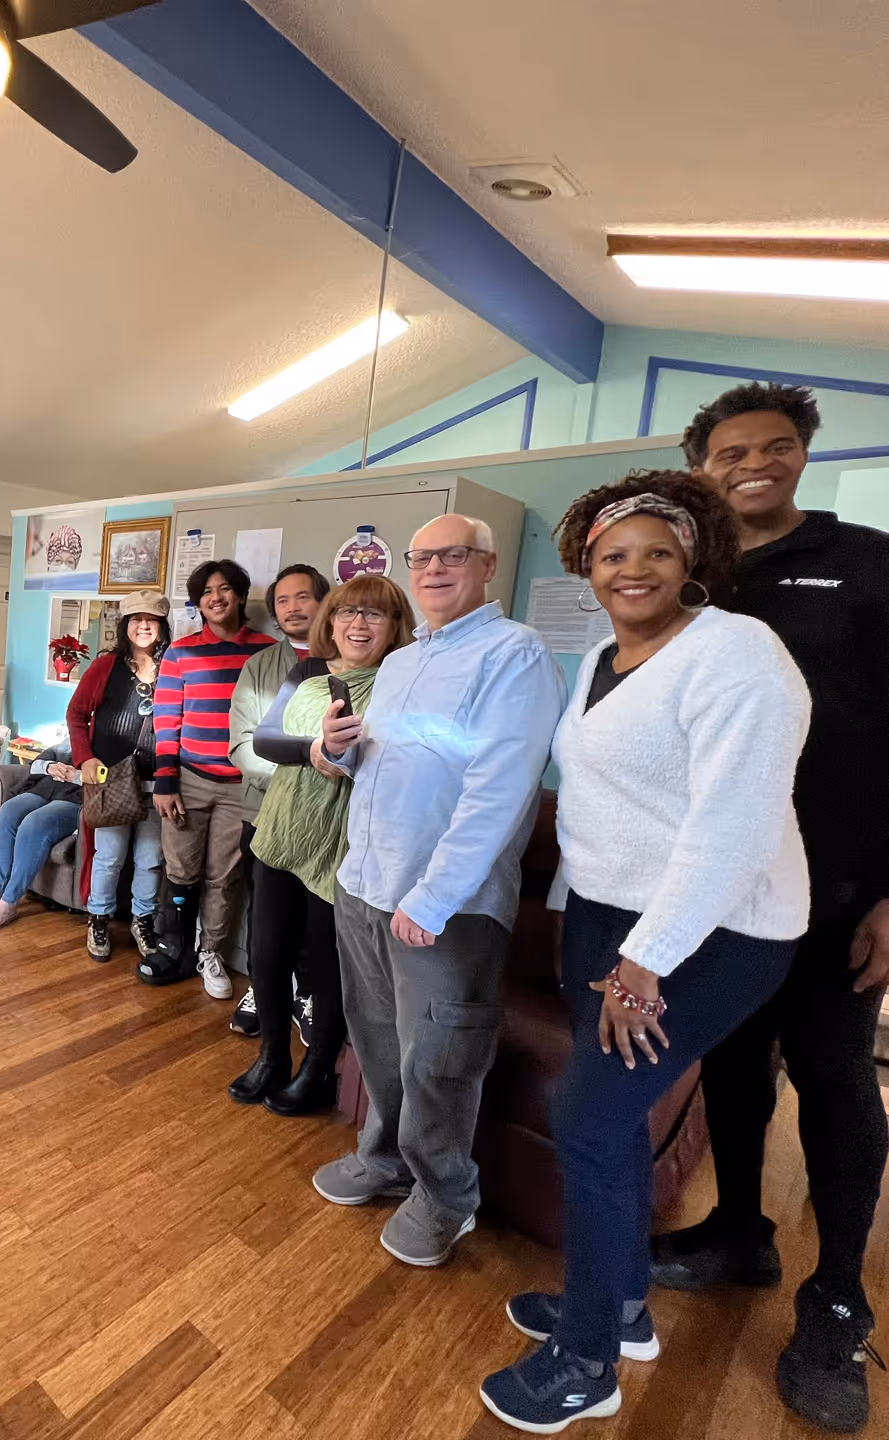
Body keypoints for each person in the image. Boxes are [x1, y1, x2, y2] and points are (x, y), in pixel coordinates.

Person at [654, 383, 889, 1432]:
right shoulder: (690, 576)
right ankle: (739, 1231)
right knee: (734, 1067)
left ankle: (837, 1296)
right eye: (731, 450)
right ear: (700, 463)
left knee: (834, 1079)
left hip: (839, 887)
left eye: (775, 447)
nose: (753, 463)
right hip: (722, 887)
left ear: (801, 456)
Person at [479, 473, 811, 1433]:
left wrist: (646, 959)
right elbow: (597, 808)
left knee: (585, 1112)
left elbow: (736, 827)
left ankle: (585, 1363)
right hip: (605, 918)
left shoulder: (739, 654)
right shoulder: (594, 662)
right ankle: (619, 1306)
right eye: (612, 554)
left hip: (715, 933)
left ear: (693, 559)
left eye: (657, 552)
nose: (634, 569)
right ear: (587, 567)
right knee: (613, 1120)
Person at [311, 513, 563, 1268]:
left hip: (441, 903)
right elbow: (390, 765)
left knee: (440, 1059)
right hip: (363, 883)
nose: (432, 570)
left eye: (452, 556)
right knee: (379, 1038)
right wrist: (335, 751)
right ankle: (384, 1160)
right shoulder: (401, 661)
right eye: (421, 558)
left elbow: (501, 790)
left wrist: (435, 895)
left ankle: (446, 1197)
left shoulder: (515, 654)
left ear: (486, 565)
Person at [232, 575, 414, 1116]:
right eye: (348, 613)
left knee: (328, 963)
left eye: (374, 615)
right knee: (267, 954)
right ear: (330, 621)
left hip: (342, 841)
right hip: (281, 830)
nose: (358, 624)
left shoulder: (400, 683)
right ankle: (271, 1057)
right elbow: (264, 739)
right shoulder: (307, 669)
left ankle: (316, 1071)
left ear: (393, 627)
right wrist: (313, 747)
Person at [140, 558, 275, 999]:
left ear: (238, 594)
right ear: (198, 602)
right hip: (188, 779)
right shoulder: (181, 653)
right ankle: (173, 947)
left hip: (243, 786)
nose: (215, 598)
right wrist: (165, 780)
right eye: (206, 592)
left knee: (224, 876)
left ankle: (210, 952)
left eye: (224, 589)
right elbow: (166, 718)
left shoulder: (266, 652)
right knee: (180, 870)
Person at [225, 563, 330, 1037]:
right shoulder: (261, 666)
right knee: (265, 912)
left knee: (315, 913)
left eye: (302, 597)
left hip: (327, 818)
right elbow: (242, 744)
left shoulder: (350, 661)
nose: (292, 608)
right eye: (282, 601)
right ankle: (267, 986)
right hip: (263, 811)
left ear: (324, 601)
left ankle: (306, 991)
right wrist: (296, 780)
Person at [66, 590, 170, 961]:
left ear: (162, 625)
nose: (144, 626)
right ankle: (99, 918)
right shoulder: (104, 667)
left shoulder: (173, 666)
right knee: (109, 856)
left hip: (159, 781)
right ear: (125, 625)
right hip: (112, 781)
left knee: (151, 857)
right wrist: (85, 759)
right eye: (136, 619)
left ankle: (142, 920)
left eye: (152, 620)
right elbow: (76, 714)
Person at [0, 743, 82, 929]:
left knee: (34, 822)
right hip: (46, 787)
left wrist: (77, 776)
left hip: (77, 795)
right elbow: (35, 765)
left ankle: (9, 901)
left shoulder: (112, 739)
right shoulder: (69, 740)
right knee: (7, 813)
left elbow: (111, 778)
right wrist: (49, 767)